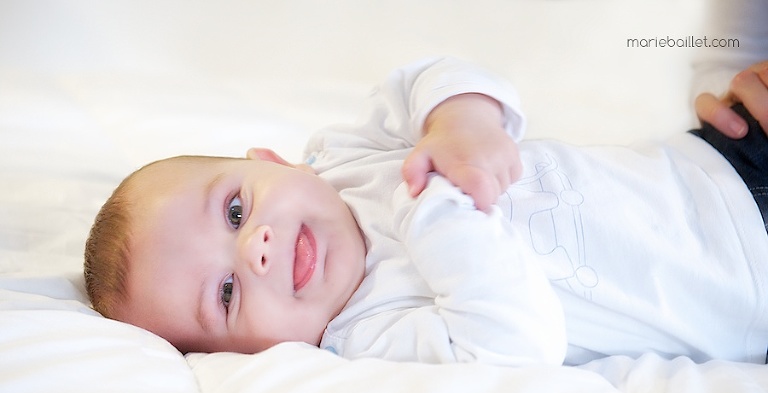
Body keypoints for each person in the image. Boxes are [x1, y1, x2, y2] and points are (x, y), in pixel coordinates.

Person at [84, 56, 768, 366]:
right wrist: (437, 219)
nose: (256, 249)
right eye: (227, 293)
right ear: (253, 354)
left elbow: (428, 75)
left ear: (272, 162)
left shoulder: (347, 158)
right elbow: (517, 345)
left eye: (235, 211)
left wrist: (459, 123)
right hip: (746, 289)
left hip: (719, 160)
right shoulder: (368, 334)